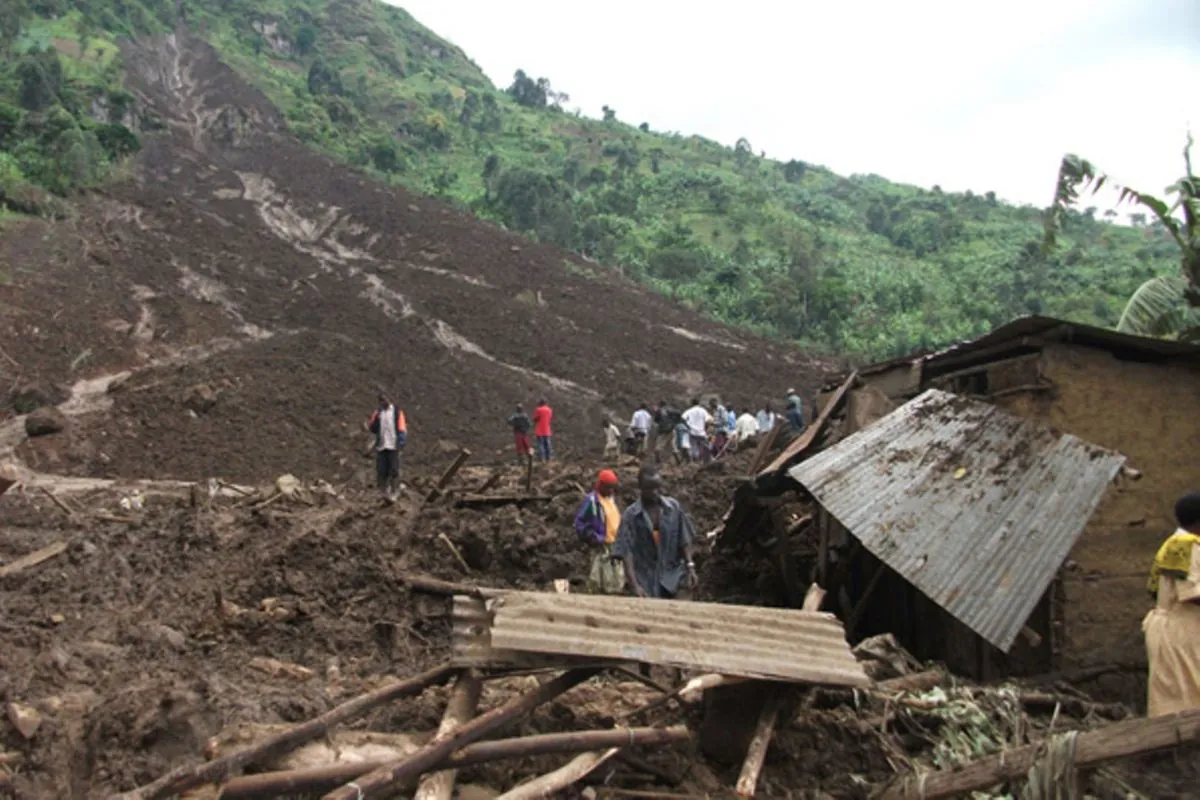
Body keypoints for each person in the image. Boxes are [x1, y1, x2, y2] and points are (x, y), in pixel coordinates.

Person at [1144, 492, 1200, 717]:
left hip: (1175, 626)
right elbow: (1193, 594)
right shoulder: (1186, 546)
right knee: (1184, 698)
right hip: (1180, 630)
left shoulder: (1176, 543)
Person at [612, 465, 697, 600]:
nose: (655, 492)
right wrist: (635, 586)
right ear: (640, 488)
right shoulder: (631, 516)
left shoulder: (673, 508)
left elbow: (685, 539)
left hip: (673, 575)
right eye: (649, 489)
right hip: (646, 580)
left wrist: (690, 566)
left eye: (658, 487)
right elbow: (626, 552)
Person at [574, 469, 626, 594]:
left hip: (614, 546)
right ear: (601, 485)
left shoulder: (612, 500)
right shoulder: (592, 501)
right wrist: (592, 537)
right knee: (598, 580)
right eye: (608, 488)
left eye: (613, 488)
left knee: (616, 580)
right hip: (600, 546)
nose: (611, 491)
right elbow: (579, 523)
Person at [364, 393, 407, 500]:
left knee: (393, 469)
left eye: (385, 400)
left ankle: (394, 491)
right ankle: (382, 492)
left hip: (393, 445)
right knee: (381, 470)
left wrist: (401, 441)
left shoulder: (396, 412)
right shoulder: (379, 413)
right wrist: (373, 419)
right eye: (381, 401)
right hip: (382, 445)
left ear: (389, 399)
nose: (383, 402)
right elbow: (373, 428)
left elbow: (401, 427)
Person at [682, 398, 712, 463]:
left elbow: (683, 419)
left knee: (694, 447)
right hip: (701, 432)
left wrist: (688, 426)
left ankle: (696, 462)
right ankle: (707, 462)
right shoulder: (703, 410)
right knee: (706, 447)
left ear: (692, 403)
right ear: (699, 403)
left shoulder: (689, 411)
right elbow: (709, 420)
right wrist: (706, 428)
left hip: (692, 432)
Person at [532, 398, 553, 462]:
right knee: (548, 444)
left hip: (540, 430)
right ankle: (549, 458)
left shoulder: (538, 409)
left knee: (540, 445)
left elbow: (535, 418)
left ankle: (542, 458)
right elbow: (550, 418)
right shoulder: (549, 410)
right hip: (547, 430)